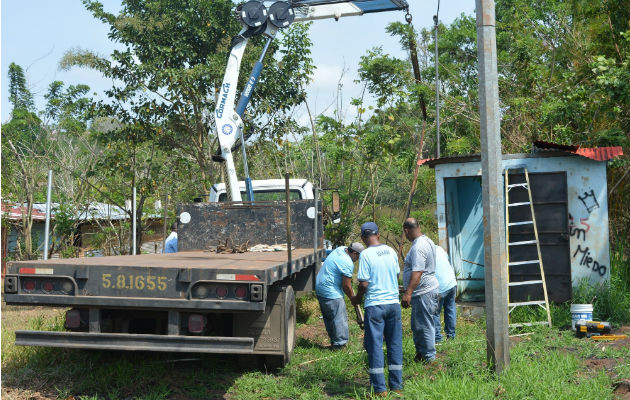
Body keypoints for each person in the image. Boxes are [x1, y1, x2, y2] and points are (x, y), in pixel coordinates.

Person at [351, 222, 403, 396]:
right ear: (378, 235)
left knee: (375, 346)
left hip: (375, 306)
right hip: (393, 304)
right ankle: (396, 386)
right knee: (394, 344)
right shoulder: (391, 251)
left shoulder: (365, 255)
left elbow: (364, 283)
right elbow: (396, 274)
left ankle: (380, 389)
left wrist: (357, 299)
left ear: (363, 238)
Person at [401, 217, 439, 363]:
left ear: (406, 230)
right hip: (425, 291)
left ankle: (429, 358)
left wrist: (408, 293)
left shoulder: (418, 247)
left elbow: (417, 272)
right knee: (418, 325)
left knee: (424, 325)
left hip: (424, 292)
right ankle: (421, 354)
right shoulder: (427, 241)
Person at [315, 242, 365, 349]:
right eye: (358, 256)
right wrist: (353, 298)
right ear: (355, 253)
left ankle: (334, 341)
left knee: (329, 317)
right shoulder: (347, 262)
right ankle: (340, 345)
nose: (358, 259)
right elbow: (346, 286)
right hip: (330, 291)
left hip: (320, 287)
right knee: (339, 317)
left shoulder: (341, 249)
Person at [433, 245, 457, 342]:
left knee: (435, 312)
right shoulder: (439, 248)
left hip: (440, 286)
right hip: (451, 283)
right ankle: (451, 336)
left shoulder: (424, 251)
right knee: (450, 309)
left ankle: (437, 338)